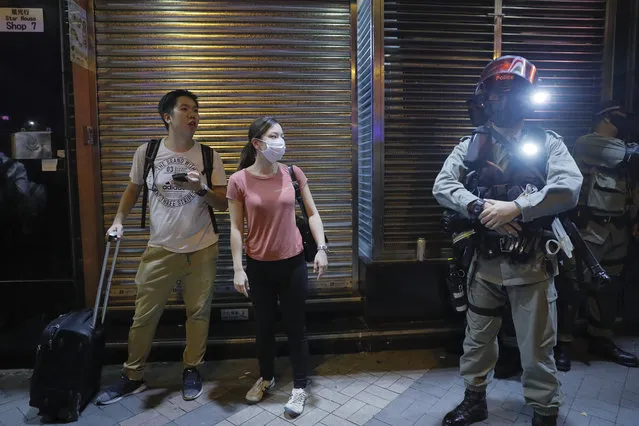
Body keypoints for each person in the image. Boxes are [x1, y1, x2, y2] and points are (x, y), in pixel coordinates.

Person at [433, 55, 583, 426]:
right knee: (478, 337)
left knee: (537, 346)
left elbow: (568, 188)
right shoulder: (470, 145)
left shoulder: (548, 143)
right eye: (494, 93)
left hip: (532, 263)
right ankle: (475, 399)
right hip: (483, 263)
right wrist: (482, 207)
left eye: (507, 92)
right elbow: (443, 185)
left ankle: (545, 410)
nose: (499, 101)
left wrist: (516, 207)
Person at [96, 89, 228, 405]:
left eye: (196, 109)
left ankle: (192, 369)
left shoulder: (209, 155)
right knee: (143, 315)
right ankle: (132, 376)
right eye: (185, 109)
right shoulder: (149, 151)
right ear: (167, 117)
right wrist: (118, 220)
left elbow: (222, 204)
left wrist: (200, 188)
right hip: (160, 248)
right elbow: (132, 189)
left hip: (202, 247)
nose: (193, 115)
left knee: (198, 313)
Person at [226, 117, 328, 417]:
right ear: (257, 143)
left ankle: (299, 388)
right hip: (259, 266)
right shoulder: (239, 181)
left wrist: (321, 249)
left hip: (293, 262)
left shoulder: (292, 173)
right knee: (264, 327)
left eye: (282, 134)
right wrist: (237, 267)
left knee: (296, 327)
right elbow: (234, 227)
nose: (281, 141)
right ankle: (266, 377)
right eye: (274, 135)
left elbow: (312, 213)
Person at [569, 100, 639, 368]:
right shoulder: (589, 142)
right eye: (620, 117)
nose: (626, 122)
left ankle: (600, 339)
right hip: (590, 229)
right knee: (575, 285)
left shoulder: (624, 146)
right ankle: (562, 343)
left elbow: (630, 185)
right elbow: (629, 155)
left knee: (608, 287)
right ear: (606, 117)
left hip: (618, 228)